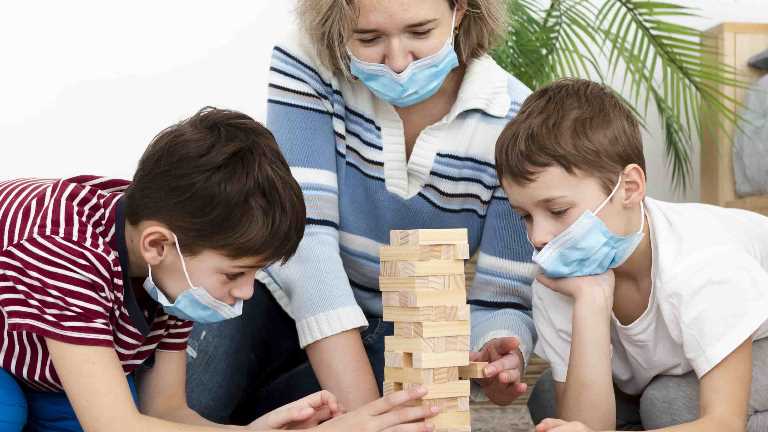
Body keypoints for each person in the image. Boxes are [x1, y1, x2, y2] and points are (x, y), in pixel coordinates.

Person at [186, 0, 539, 423]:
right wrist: (365, 418)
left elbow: (503, 298)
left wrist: (499, 349)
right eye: (369, 38)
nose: (398, 63)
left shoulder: (515, 122)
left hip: (394, 330)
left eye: (420, 33)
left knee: (412, 377)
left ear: (460, 10)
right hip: (274, 301)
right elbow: (304, 239)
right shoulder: (307, 62)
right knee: (194, 409)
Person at [0, 107, 439, 432]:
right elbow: (115, 425)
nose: (247, 292)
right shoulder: (65, 254)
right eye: (234, 275)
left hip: (43, 364)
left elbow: (165, 411)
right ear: (157, 245)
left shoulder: (169, 271)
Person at [494, 78, 768, 432]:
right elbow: (582, 425)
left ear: (630, 188)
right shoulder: (561, 270)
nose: (539, 237)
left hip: (759, 342)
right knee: (549, 396)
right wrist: (591, 301)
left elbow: (723, 422)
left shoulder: (702, 262)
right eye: (526, 217)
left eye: (559, 210)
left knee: (668, 402)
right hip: (671, 367)